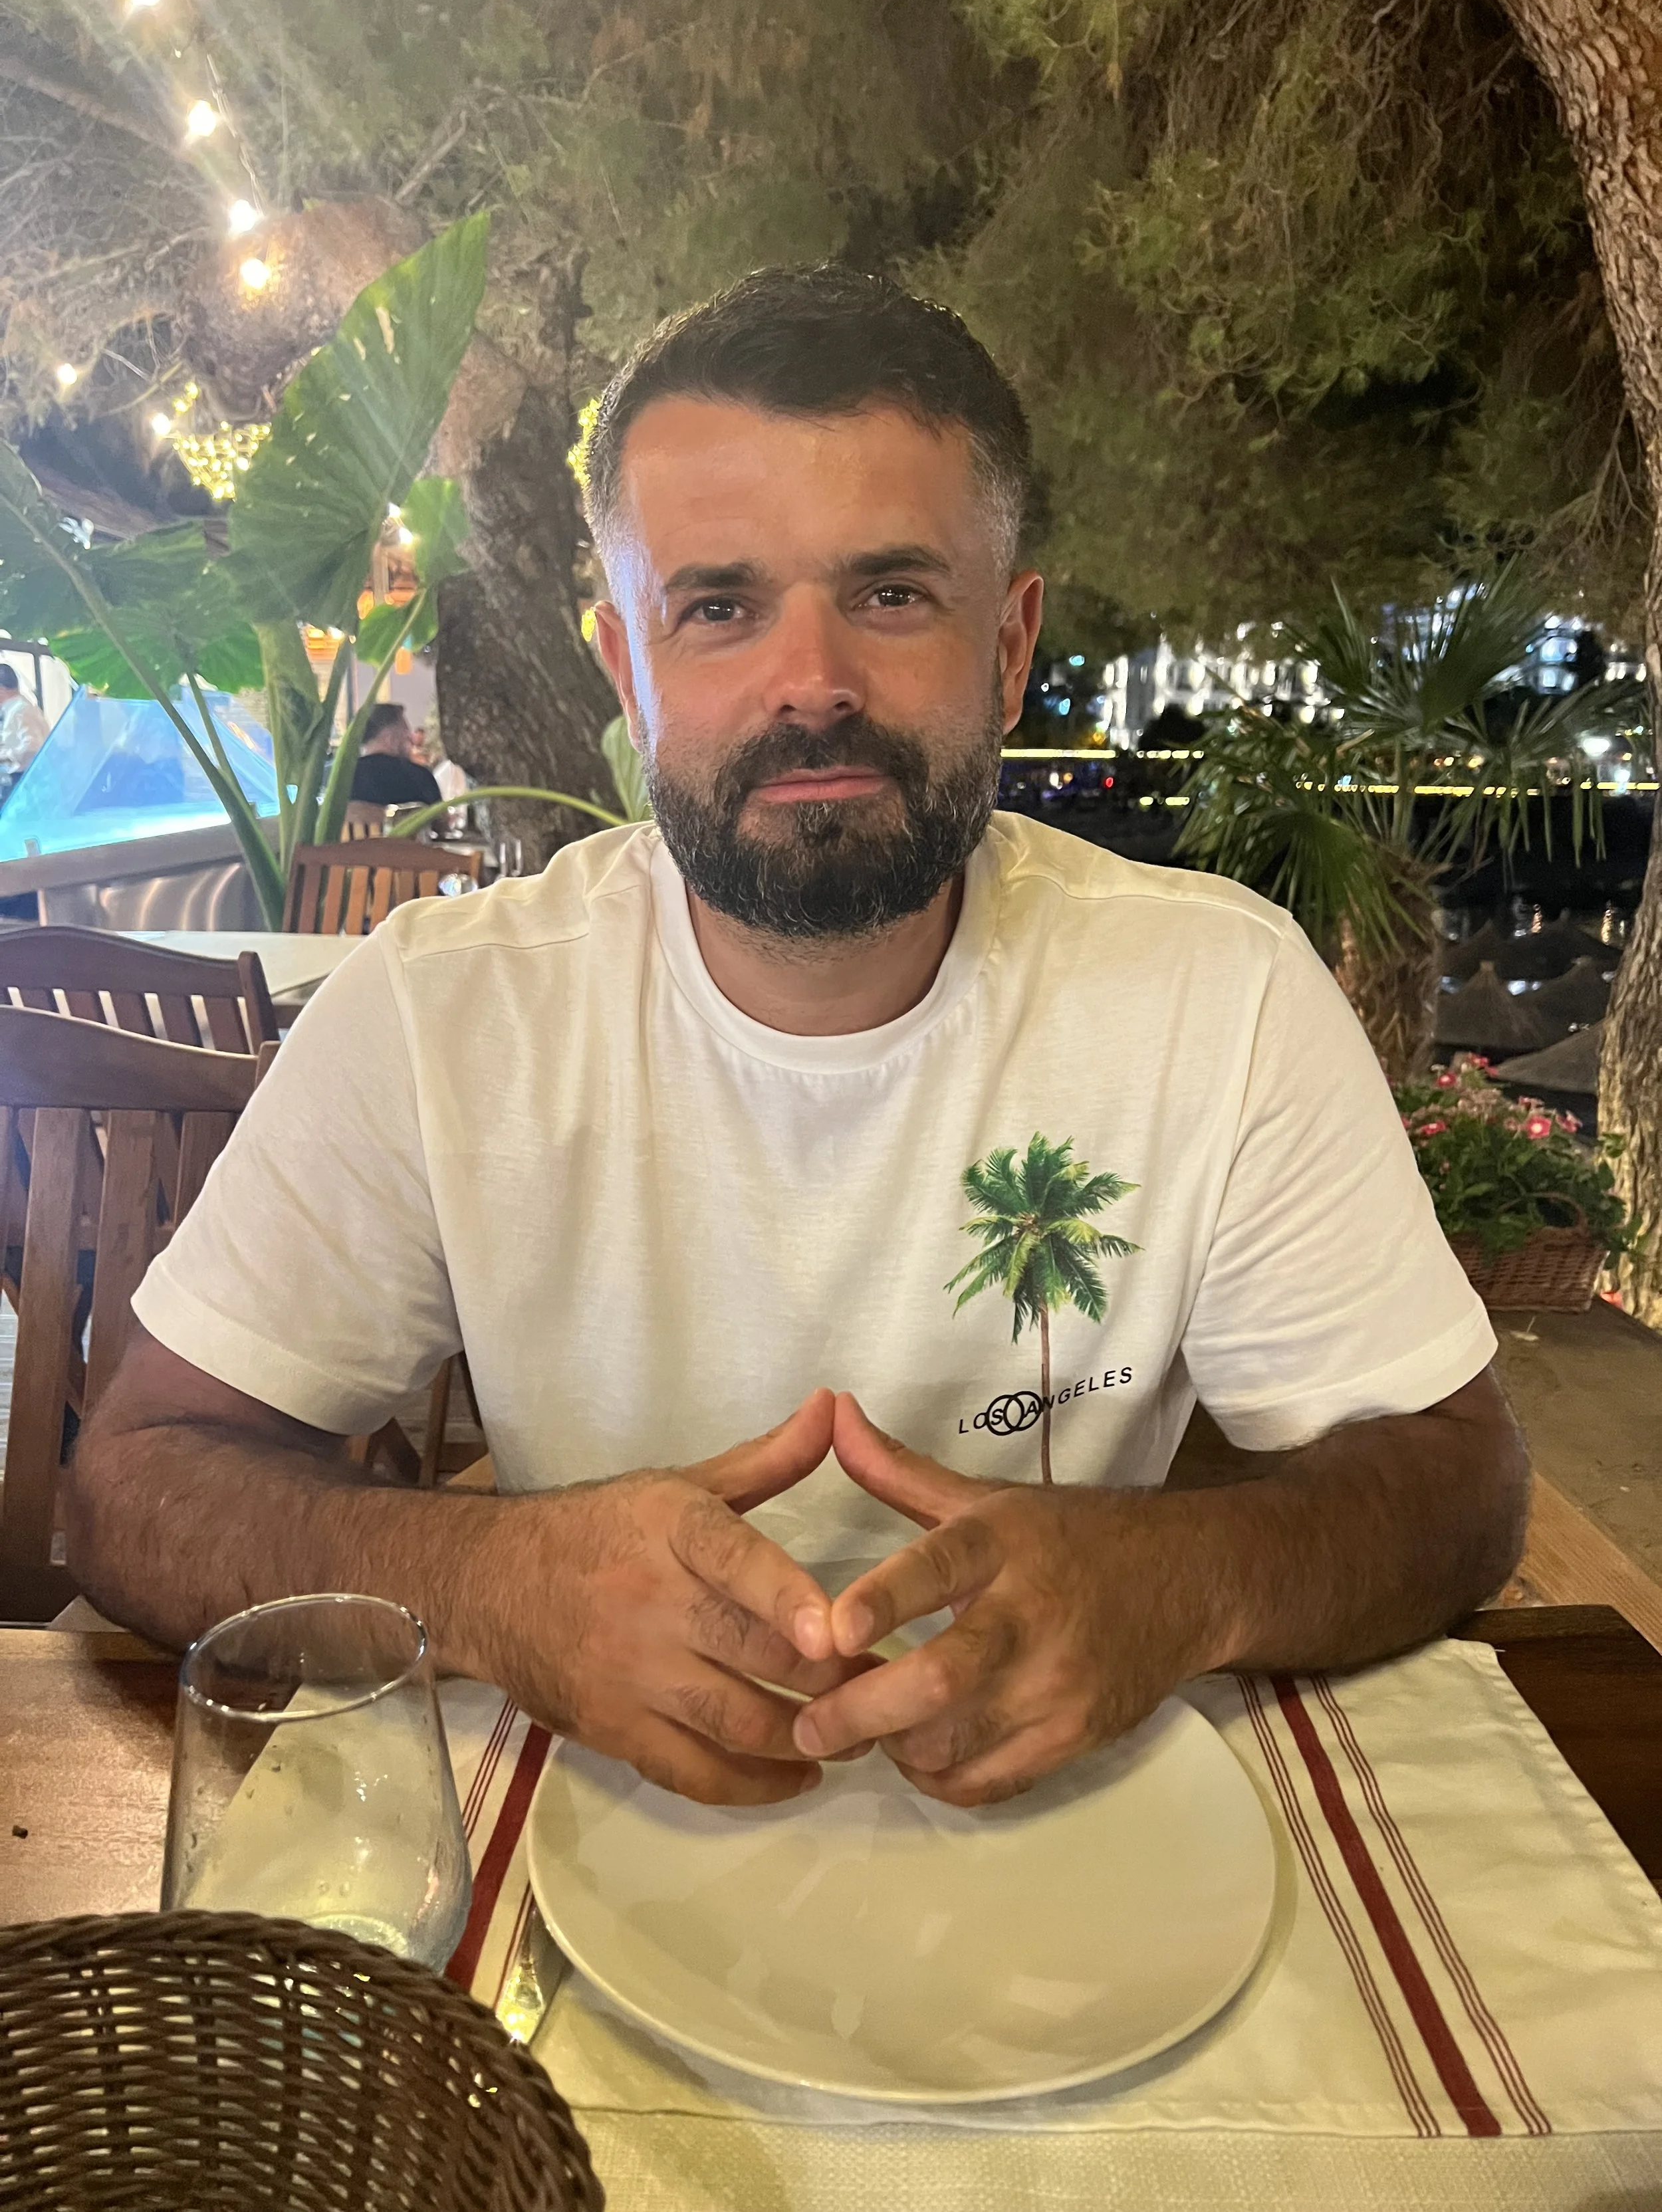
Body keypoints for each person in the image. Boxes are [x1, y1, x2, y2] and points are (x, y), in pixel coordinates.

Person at [71, 268, 1526, 1814]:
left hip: (1068, 1845)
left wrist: (1181, 1575)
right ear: (629, 668)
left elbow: (1459, 1484)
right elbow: (135, 1485)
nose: (812, 683)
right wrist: (495, 1583)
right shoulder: (440, 1009)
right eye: (718, 607)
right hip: (599, 1846)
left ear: (1012, 642)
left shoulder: (1215, 993)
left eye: (892, 594)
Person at [348, 702, 442, 809]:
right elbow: (440, 821)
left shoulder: (344, 780)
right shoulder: (419, 777)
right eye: (405, 731)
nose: (411, 739)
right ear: (390, 738)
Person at [0, 665, 51, 787]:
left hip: (27, 784)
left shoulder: (21, 711)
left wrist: (4, 759)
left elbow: (33, 749)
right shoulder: (14, 711)